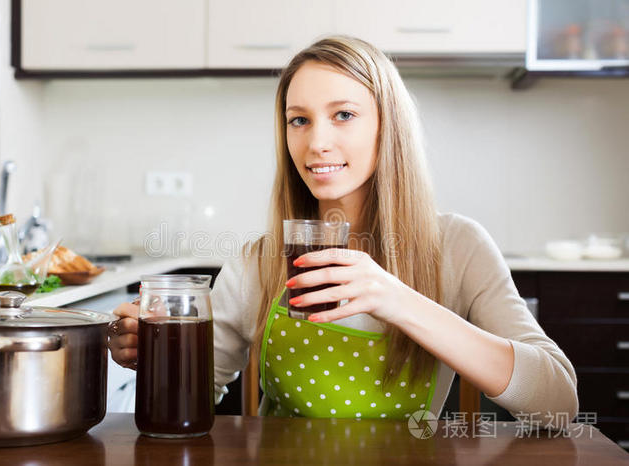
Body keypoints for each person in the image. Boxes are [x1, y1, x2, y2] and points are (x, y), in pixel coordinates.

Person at [109, 36, 578, 426]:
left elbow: (558, 405)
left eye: (344, 115)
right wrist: (151, 359)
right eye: (299, 120)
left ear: (386, 128)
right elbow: (192, 394)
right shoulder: (260, 258)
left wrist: (396, 299)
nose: (317, 142)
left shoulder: (459, 246)